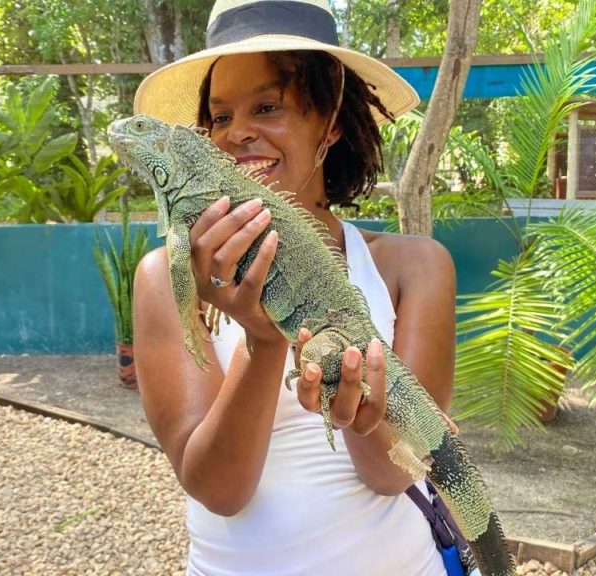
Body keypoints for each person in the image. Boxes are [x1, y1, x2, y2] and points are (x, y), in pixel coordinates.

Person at [131, 1, 458, 574]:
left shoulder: (415, 267)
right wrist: (263, 341)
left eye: (267, 106)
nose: (237, 133)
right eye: (219, 116)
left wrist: (349, 399)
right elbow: (218, 489)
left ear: (329, 121)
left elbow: (393, 474)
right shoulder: (166, 276)